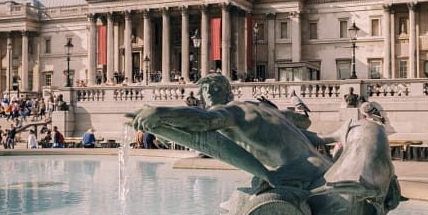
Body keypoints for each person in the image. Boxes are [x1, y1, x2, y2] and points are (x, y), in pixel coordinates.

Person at [130, 73, 333, 188]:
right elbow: (304, 123)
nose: (208, 94)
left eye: (214, 89)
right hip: (325, 169)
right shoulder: (266, 108)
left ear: (227, 92)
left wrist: (159, 112)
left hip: (301, 179)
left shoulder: (231, 112)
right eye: (205, 90)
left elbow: (203, 122)